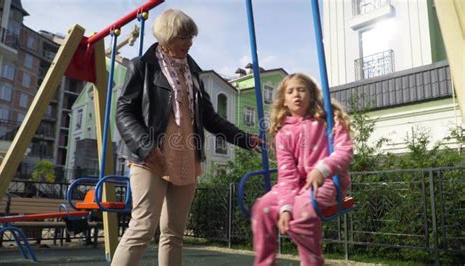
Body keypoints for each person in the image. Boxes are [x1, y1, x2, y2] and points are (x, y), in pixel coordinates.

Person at [113, 9, 262, 266]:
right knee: (142, 229)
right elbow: (124, 111)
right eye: (183, 36)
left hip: (186, 158)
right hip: (151, 157)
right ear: (167, 36)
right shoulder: (143, 66)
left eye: (191, 36)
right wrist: (146, 148)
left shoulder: (192, 72)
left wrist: (243, 139)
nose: (190, 42)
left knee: (174, 234)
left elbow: (209, 117)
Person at [251, 73, 353, 265]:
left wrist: (323, 169)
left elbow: (345, 152)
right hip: (294, 186)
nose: (296, 94)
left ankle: (311, 262)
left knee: (302, 210)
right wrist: (285, 207)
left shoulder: (328, 121)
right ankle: (265, 262)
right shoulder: (284, 133)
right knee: (262, 208)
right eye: (290, 91)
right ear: (284, 102)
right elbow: (287, 175)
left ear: (312, 95)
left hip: (327, 182)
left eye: (301, 89)